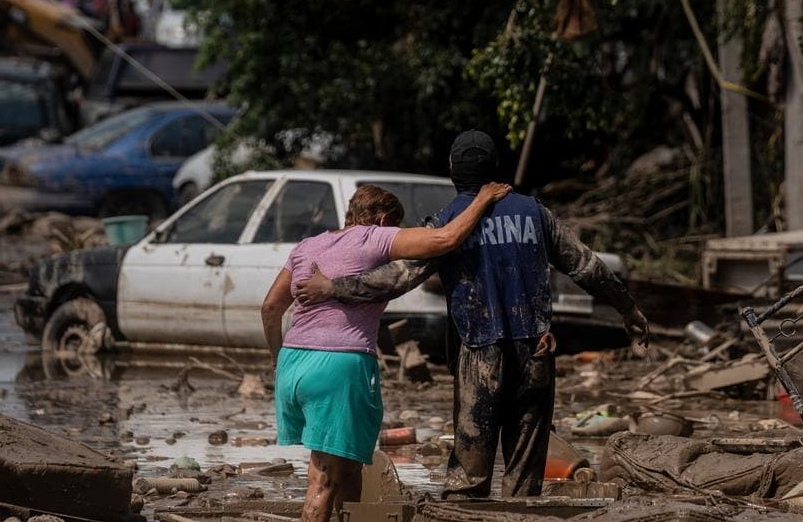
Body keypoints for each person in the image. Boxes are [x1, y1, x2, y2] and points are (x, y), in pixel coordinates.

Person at [295, 130, 650, 499]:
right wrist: (628, 308)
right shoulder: (535, 213)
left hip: (478, 354)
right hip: (536, 351)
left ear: (454, 172)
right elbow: (587, 266)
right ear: (494, 167)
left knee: (468, 476)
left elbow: (396, 279)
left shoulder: (449, 223)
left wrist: (333, 288)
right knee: (525, 472)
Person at [261, 181, 511, 522]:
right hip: (338, 364)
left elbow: (271, 308)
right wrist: (482, 199)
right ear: (381, 219)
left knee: (348, 465)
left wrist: (277, 359)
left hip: (293, 363)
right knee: (324, 477)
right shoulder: (375, 238)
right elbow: (445, 239)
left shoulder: (308, 245)